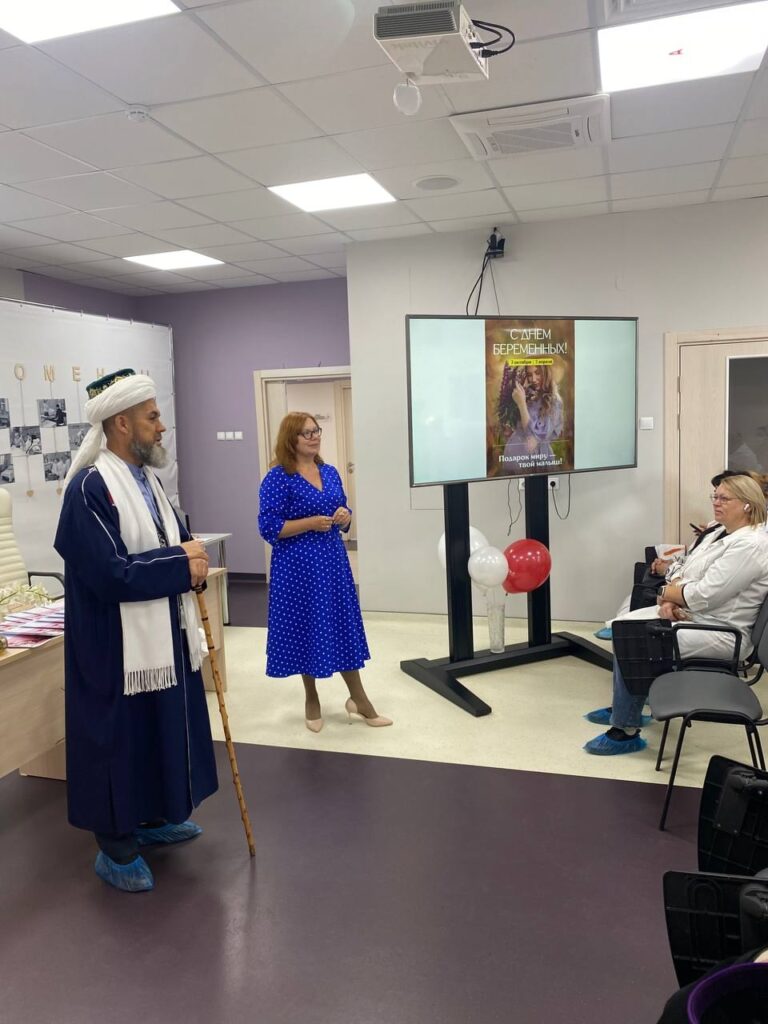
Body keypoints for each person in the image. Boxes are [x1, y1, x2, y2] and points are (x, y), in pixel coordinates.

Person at [55, 369, 218, 892]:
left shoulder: (149, 482)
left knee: (156, 730)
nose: (161, 426)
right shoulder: (88, 489)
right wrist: (182, 563)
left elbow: (178, 542)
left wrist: (191, 561)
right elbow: (111, 573)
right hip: (113, 646)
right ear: (122, 423)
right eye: (153, 417)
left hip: (160, 635)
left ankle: (149, 816)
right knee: (119, 740)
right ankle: (116, 848)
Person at [584, 474, 768, 754]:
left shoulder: (751, 546)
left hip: (721, 632)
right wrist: (673, 596)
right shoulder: (720, 531)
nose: (716, 503)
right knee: (623, 627)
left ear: (747, 504)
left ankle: (624, 729)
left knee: (634, 640)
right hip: (693, 614)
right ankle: (626, 707)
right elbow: (684, 566)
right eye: (715, 496)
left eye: (724, 498)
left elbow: (705, 595)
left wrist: (669, 594)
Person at [258, 411, 391, 732]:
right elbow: (269, 527)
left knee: (341, 626)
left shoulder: (329, 472)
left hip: (332, 564)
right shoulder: (277, 477)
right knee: (307, 628)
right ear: (290, 439)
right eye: (307, 433)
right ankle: (311, 698)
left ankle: (359, 699)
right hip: (297, 569)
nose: (315, 436)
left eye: (316, 431)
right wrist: (309, 523)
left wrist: (345, 517)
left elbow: (342, 511)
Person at [497, 363, 563, 474]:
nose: (533, 379)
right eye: (529, 375)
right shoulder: (528, 393)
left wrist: (521, 404)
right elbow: (517, 425)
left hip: (536, 458)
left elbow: (532, 439)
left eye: (538, 373)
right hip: (514, 453)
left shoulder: (554, 401)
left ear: (546, 372)